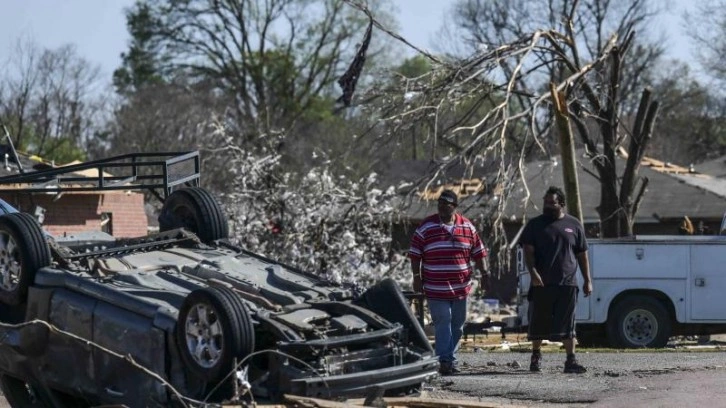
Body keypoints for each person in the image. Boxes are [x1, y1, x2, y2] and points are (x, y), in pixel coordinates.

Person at [409, 189, 490, 375]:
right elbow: (415, 254)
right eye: (439, 203)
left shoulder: (467, 227)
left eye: (446, 204)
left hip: (461, 287)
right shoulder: (426, 226)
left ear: (454, 206)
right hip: (435, 286)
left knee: (458, 325)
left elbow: (479, 252)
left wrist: (485, 274)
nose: (442, 207)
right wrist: (416, 277)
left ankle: (449, 358)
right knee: (443, 320)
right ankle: (445, 361)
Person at [520, 186, 592, 374]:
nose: (548, 205)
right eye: (545, 202)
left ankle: (570, 361)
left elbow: (582, 254)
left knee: (568, 323)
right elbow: (528, 252)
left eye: (552, 202)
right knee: (538, 322)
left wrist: (587, 280)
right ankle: (536, 356)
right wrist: (533, 273)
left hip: (567, 283)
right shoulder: (535, 225)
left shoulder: (574, 224)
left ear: (561, 203)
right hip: (541, 283)